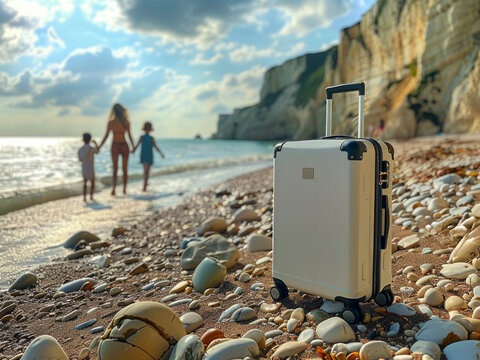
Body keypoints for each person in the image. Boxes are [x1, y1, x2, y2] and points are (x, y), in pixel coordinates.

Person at [99, 103, 135, 195]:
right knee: (125, 169)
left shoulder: (111, 123)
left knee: (115, 169)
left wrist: (99, 146)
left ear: (114, 111)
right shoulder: (126, 122)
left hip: (115, 145)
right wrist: (133, 146)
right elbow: (130, 136)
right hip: (124, 145)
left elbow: (106, 136)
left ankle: (114, 189)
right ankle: (124, 189)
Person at [132, 121, 165, 192]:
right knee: (147, 171)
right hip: (148, 156)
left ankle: (145, 184)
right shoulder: (151, 138)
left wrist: (133, 150)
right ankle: (145, 185)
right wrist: (161, 154)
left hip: (144, 155)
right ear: (150, 129)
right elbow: (156, 147)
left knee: (145, 171)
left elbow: (136, 146)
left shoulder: (143, 137)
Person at [78, 133, 99, 202]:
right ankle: (91, 196)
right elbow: (97, 151)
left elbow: (80, 159)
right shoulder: (91, 148)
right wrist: (96, 144)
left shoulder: (81, 149)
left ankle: (84, 197)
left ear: (83, 140)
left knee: (85, 182)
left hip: (84, 167)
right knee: (92, 182)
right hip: (91, 167)